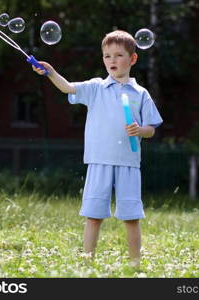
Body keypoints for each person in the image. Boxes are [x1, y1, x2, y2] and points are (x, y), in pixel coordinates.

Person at [32, 30, 162, 268]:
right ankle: (86, 262)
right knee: (93, 215)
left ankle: (136, 265)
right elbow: (67, 88)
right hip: (99, 160)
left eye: (119, 55)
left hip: (128, 163)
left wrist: (140, 130)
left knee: (131, 217)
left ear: (132, 59)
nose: (112, 60)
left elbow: (151, 128)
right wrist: (50, 72)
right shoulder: (95, 88)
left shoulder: (141, 93)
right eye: (107, 56)